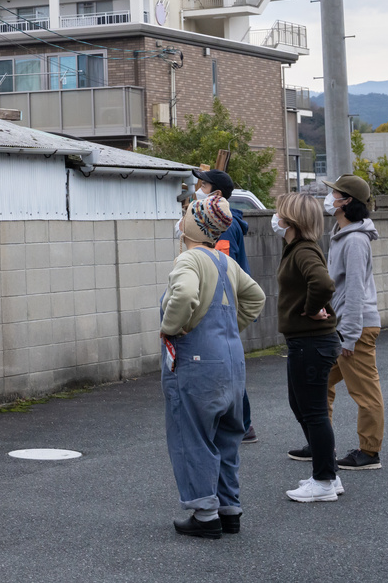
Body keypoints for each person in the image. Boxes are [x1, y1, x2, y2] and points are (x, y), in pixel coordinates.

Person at [160, 194, 266, 539]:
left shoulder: (189, 258)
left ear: (192, 225)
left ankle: (205, 514)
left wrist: (171, 327)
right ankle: (229, 509)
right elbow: (256, 297)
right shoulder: (226, 262)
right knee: (227, 437)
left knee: (193, 434)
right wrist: (234, 326)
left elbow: (184, 294)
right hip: (232, 359)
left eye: (186, 215)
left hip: (198, 362)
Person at [272, 193, 344, 503]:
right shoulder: (297, 249)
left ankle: (324, 481)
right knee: (302, 407)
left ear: (290, 219)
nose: (276, 218)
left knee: (313, 412)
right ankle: (328, 473)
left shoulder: (302, 250)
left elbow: (323, 284)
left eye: (279, 213)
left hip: (312, 342)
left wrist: (312, 309)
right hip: (306, 342)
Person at [323, 174, 385, 471]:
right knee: (319, 381)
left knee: (364, 391)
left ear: (347, 201)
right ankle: (321, 441)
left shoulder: (356, 240)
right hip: (344, 326)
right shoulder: (341, 234)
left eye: (334, 193)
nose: (329, 198)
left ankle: (369, 452)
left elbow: (356, 290)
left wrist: (349, 335)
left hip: (355, 328)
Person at [192, 168, 258, 443]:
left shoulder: (223, 226)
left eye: (203, 185)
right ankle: (240, 423)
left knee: (225, 363)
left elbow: (221, 265)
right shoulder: (222, 221)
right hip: (226, 302)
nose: (198, 189)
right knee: (226, 362)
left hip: (223, 303)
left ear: (216, 193)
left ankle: (242, 423)